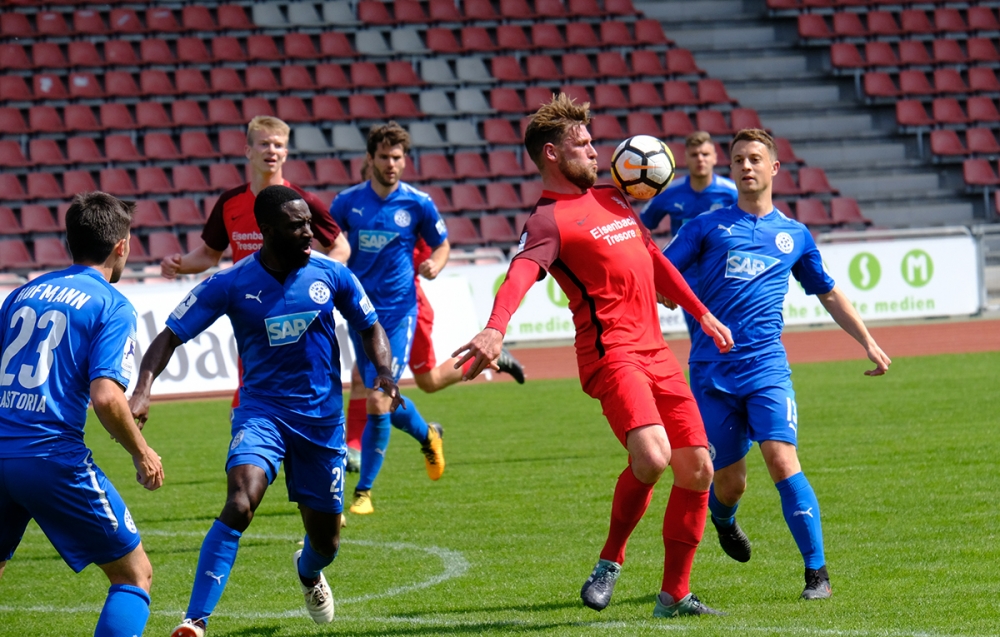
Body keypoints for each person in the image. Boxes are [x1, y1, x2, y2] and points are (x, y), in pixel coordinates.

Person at [453, 94, 734, 618]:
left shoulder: (614, 198)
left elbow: (654, 259)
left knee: (699, 469)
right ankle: (610, 561)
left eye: (591, 141)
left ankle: (674, 595)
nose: (594, 152)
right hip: (612, 355)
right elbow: (520, 274)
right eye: (582, 144)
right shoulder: (547, 221)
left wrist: (702, 313)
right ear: (552, 154)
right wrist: (495, 328)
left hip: (657, 351)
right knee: (653, 457)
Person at [129, 186, 401, 637]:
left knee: (326, 543)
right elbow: (170, 335)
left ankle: (309, 571)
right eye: (297, 226)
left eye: (309, 223)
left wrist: (385, 372)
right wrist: (143, 389)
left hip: (321, 423)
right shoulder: (231, 283)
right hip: (262, 414)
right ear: (268, 230)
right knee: (240, 501)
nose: (309, 232)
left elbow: (370, 326)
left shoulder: (333, 274)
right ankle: (195, 621)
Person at [662, 128, 892, 600]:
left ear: (774, 168)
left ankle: (817, 574)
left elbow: (828, 292)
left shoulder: (794, 235)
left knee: (782, 460)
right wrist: (664, 290)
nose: (746, 166)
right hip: (711, 373)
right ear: (731, 169)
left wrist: (867, 340)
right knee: (730, 483)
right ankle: (724, 519)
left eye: (754, 158)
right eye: (738, 160)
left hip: (766, 368)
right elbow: (660, 271)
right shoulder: (705, 227)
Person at [0, 192, 164, 637]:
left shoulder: (21, 293)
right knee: (134, 575)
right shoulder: (112, 304)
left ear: (69, 241)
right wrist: (142, 452)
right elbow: (107, 398)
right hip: (50, 457)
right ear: (122, 246)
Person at [341, 158, 525, 473]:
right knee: (366, 380)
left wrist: (432, 265)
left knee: (424, 381)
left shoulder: (408, 212)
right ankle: (355, 449)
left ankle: (483, 362)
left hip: (407, 309)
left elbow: (435, 249)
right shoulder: (357, 212)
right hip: (372, 310)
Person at [159, 115, 351, 409]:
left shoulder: (302, 202)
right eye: (264, 144)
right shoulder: (230, 203)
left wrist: (319, 278)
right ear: (248, 150)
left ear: (286, 153)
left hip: (297, 306)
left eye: (278, 145)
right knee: (251, 389)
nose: (271, 150)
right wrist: (180, 264)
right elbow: (210, 254)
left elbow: (340, 247)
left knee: (292, 390)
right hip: (251, 310)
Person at [330, 122, 464, 515]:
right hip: (360, 314)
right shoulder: (346, 203)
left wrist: (436, 264)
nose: (391, 164)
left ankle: (363, 493)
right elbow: (331, 244)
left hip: (399, 313)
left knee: (377, 396)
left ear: (405, 160)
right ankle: (429, 435)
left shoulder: (417, 203)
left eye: (397, 157)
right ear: (370, 159)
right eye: (384, 157)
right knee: (381, 397)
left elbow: (442, 245)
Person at [639, 131, 737, 336]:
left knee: (730, 336)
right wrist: (658, 267)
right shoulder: (669, 193)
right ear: (685, 158)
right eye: (694, 154)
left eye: (705, 154)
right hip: (686, 280)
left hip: (724, 275)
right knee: (700, 336)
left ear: (715, 158)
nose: (700, 159)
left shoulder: (731, 193)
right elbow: (641, 227)